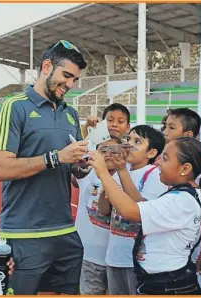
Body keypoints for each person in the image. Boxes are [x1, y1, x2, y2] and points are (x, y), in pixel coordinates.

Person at [0, 40, 89, 295]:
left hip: (66, 230)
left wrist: (82, 167)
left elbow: (71, 167)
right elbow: (1, 168)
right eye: (66, 76)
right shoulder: (15, 106)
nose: (70, 85)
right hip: (24, 233)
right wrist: (56, 158)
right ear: (47, 66)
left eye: (75, 79)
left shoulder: (71, 114)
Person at [89, 137, 201, 295]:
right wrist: (122, 169)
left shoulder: (181, 201)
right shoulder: (183, 195)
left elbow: (130, 211)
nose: (158, 163)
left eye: (165, 158)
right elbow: (140, 203)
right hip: (163, 281)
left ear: (185, 169)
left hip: (168, 285)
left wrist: (103, 173)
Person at [99, 125, 168, 295]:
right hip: (114, 255)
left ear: (151, 153)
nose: (128, 145)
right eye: (128, 139)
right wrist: (106, 185)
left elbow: (142, 210)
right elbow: (103, 210)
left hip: (137, 261)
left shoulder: (153, 175)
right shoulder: (120, 171)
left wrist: (121, 171)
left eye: (137, 141)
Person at [72, 104, 131, 295]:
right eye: (110, 120)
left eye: (120, 121)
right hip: (89, 255)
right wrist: (86, 131)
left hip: (121, 257)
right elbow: (76, 169)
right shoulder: (89, 170)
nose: (114, 125)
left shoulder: (129, 173)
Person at [164, 108, 201, 291]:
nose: (165, 132)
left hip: (185, 258)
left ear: (187, 134)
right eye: (165, 126)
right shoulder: (163, 169)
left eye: (171, 127)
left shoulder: (199, 179)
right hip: (165, 254)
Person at [74, 136, 123, 295]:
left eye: (114, 151)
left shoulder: (127, 178)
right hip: (88, 256)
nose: (108, 154)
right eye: (103, 150)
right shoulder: (88, 174)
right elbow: (75, 166)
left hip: (117, 260)